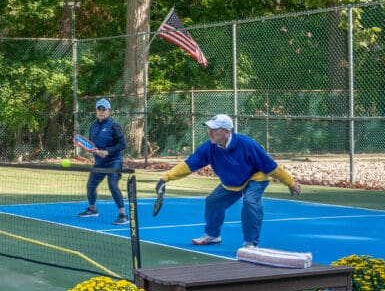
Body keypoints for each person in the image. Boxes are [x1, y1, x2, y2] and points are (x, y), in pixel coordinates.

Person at [156, 114, 302, 248]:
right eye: (209, 129)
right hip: (232, 182)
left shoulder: (247, 145)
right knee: (213, 201)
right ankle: (213, 236)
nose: (210, 132)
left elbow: (271, 167)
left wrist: (291, 182)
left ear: (226, 132)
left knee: (250, 202)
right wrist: (166, 177)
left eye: (214, 129)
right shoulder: (209, 147)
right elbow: (189, 165)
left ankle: (251, 244)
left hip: (255, 178)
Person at [77, 98, 129, 225]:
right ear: (96, 111)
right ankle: (92, 209)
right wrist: (94, 151)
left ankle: (123, 215)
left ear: (109, 111)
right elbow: (92, 144)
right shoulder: (93, 127)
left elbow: (123, 144)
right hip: (100, 162)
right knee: (90, 185)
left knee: (112, 184)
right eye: (99, 109)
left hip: (114, 161)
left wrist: (107, 152)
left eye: (104, 110)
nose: (101, 112)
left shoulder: (114, 126)